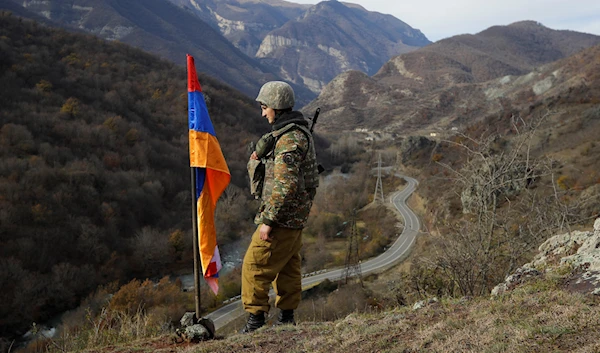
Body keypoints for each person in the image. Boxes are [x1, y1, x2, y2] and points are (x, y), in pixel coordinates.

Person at [240, 81, 319, 333]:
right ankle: (286, 320)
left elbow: (286, 184)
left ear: (277, 107)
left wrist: (269, 221)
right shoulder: (294, 133)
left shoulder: (289, 139)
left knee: (254, 266)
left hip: (282, 219)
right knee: (287, 267)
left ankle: (255, 323)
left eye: (265, 107)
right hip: (293, 218)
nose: (263, 113)